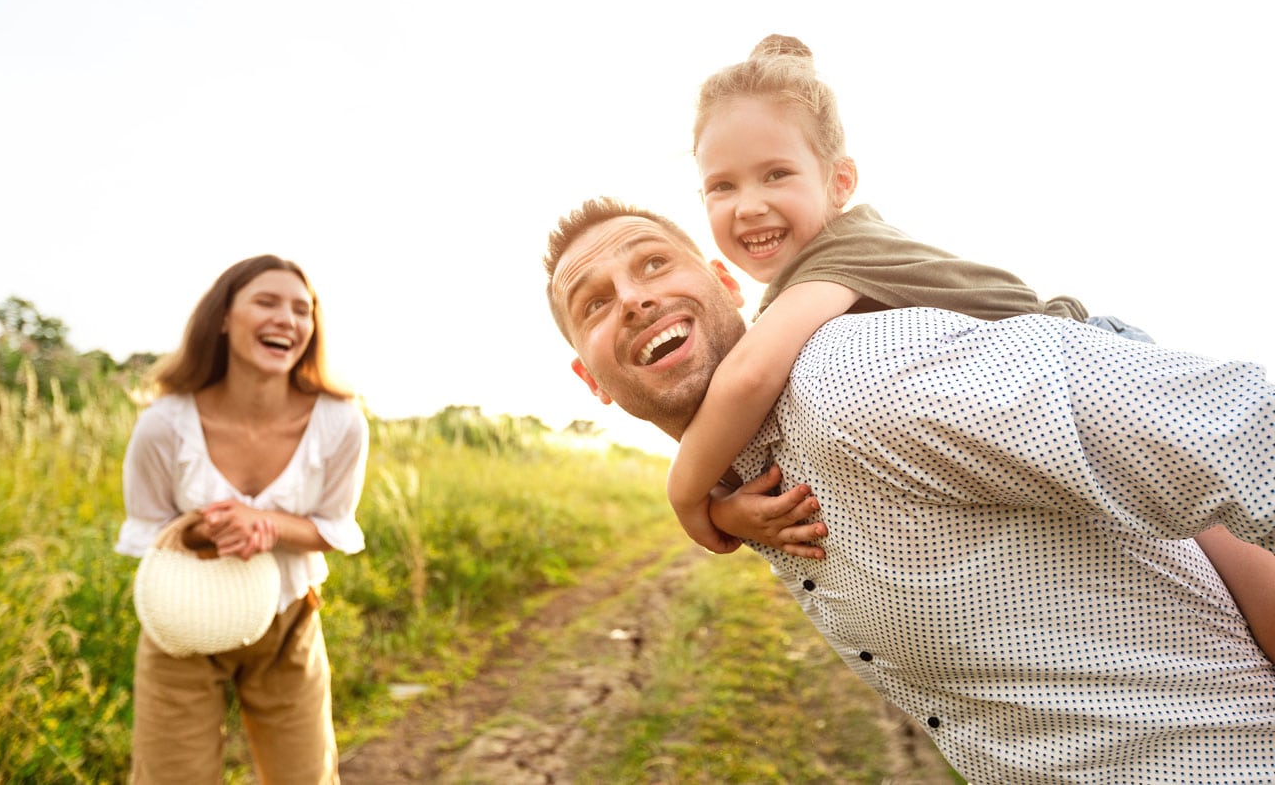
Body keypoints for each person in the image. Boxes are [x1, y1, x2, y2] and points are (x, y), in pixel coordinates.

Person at [543, 199, 1275, 783]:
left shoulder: (851, 379)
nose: (634, 298)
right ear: (589, 378)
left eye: (651, 264)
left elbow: (1239, 430)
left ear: (728, 282)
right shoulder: (749, 482)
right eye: (595, 303)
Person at [664, 34, 1275, 665]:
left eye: (776, 174)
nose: (749, 205)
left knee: (1251, 582)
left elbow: (747, 378)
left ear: (839, 181)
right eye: (722, 186)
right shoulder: (801, 286)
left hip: (1086, 365)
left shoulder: (840, 256)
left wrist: (689, 497)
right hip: (1042, 412)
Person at [115, 254, 369, 784]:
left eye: (303, 310)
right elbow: (145, 531)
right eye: (267, 302)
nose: (288, 319)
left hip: (288, 621)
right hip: (180, 627)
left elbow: (336, 527)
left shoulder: (341, 422)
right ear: (224, 317)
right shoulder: (163, 424)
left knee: (306, 777)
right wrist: (201, 531)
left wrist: (268, 523)